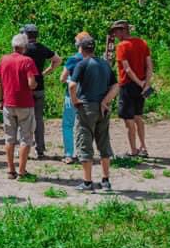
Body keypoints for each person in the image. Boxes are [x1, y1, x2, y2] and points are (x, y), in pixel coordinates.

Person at [68, 35, 119, 192]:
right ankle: (105, 181)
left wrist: (75, 100)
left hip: (86, 107)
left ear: (81, 49)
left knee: (84, 142)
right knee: (103, 142)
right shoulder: (105, 64)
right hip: (102, 108)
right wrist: (105, 101)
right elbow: (116, 85)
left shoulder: (82, 64)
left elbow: (71, 85)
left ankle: (87, 182)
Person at [0, 33, 39, 180]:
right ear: (24, 46)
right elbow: (31, 83)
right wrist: (35, 84)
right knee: (25, 138)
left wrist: (0, 100)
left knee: (9, 138)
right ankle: (22, 171)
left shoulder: (4, 60)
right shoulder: (27, 61)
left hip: (8, 103)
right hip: (25, 104)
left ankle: (10, 170)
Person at [111, 20, 153, 157]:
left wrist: (139, 83)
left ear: (124, 31)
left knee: (128, 119)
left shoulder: (121, 46)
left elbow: (127, 69)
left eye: (117, 31)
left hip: (128, 85)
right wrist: (146, 83)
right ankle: (143, 147)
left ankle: (133, 150)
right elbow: (149, 66)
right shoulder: (142, 43)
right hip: (141, 84)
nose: (115, 34)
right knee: (138, 117)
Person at [21, 24, 62, 160]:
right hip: (40, 87)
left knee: (24, 119)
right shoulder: (42, 48)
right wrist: (45, 72)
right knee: (38, 119)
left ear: (26, 35)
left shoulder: (24, 49)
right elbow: (57, 60)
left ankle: (23, 148)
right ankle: (40, 149)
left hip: (26, 88)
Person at [58, 32, 91, 165]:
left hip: (71, 95)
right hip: (88, 96)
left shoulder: (73, 60)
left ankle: (69, 154)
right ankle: (84, 153)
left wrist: (71, 81)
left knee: (68, 125)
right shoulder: (94, 59)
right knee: (85, 126)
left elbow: (62, 78)